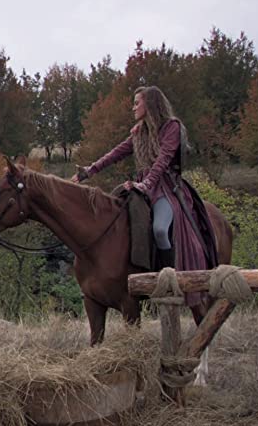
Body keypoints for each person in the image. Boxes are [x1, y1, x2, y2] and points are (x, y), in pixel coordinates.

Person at [72, 85, 217, 280]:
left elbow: (163, 160)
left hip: (164, 188)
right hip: (141, 187)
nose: (133, 108)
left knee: (159, 229)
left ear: (149, 104)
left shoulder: (171, 127)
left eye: (136, 103)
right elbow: (115, 153)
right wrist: (89, 171)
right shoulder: (138, 132)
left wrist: (147, 184)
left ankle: (169, 281)